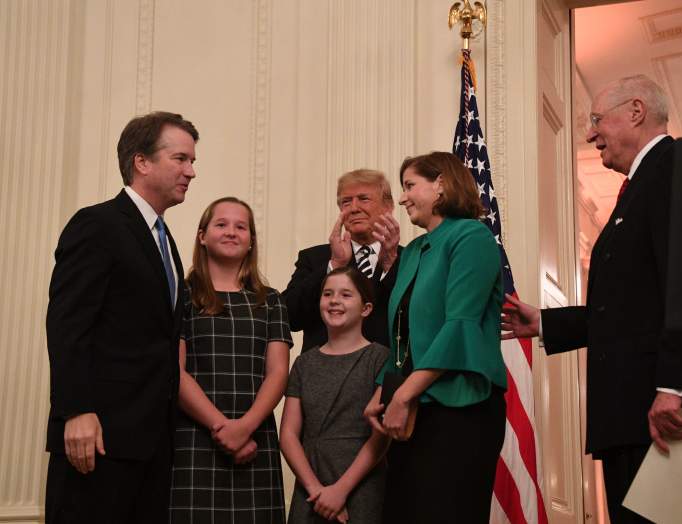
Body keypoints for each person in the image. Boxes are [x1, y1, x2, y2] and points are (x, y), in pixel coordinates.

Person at [501, 75, 682, 523]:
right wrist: (547, 324)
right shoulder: (641, 183)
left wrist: (672, 386)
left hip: (656, 413)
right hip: (630, 411)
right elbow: (630, 308)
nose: (590, 134)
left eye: (596, 120)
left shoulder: (672, 168)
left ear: (635, 111)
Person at [45, 111, 198, 523]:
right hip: (97, 437)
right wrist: (75, 411)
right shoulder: (97, 225)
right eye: (181, 159)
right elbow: (68, 324)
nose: (191, 171)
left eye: (192, 161)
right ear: (141, 162)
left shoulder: (165, 241)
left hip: (150, 443)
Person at [364, 152, 507, 524]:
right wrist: (383, 394)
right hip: (413, 411)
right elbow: (403, 336)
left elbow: (458, 325)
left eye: (410, 185)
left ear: (441, 183)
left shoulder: (472, 236)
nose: (403, 197)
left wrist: (403, 394)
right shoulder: (411, 252)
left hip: (460, 409)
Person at [169, 197, 292, 523]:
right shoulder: (182, 296)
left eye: (241, 226)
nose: (231, 232)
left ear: (251, 239)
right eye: (221, 224)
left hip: (255, 439)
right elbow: (175, 372)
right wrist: (221, 428)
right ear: (202, 235)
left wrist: (244, 428)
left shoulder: (271, 301)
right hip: (196, 438)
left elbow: (278, 373)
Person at [280, 266, 390, 524]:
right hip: (310, 485)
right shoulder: (303, 364)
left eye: (346, 295)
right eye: (327, 294)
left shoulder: (380, 359)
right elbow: (288, 435)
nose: (334, 301)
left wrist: (340, 491)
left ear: (366, 308)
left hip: (361, 484)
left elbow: (382, 436)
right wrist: (317, 491)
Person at [283, 169, 402, 351]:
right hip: (325, 373)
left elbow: (418, 320)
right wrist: (334, 265)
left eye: (364, 199)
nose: (354, 208)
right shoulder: (314, 259)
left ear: (388, 206)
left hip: (386, 373)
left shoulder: (410, 258)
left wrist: (390, 266)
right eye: (346, 202)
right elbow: (289, 317)